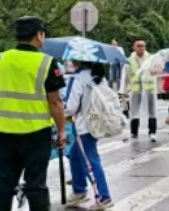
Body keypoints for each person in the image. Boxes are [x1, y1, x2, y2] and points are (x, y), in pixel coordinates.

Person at [0, 16, 67, 211]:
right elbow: (55, 101)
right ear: (39, 35)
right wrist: (62, 131)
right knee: (35, 184)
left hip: (3, 133)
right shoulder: (46, 62)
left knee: (3, 183)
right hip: (36, 135)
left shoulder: (2, 58)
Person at [64, 61, 114, 209]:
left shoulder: (77, 78)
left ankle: (104, 197)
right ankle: (79, 189)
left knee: (90, 162)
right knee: (75, 155)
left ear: (78, 60)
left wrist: (63, 113)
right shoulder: (99, 76)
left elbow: (70, 107)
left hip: (83, 126)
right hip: (97, 123)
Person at [120, 39, 158, 142]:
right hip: (136, 89)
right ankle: (134, 132)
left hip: (149, 89)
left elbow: (157, 72)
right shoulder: (128, 61)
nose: (141, 48)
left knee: (152, 111)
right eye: (139, 46)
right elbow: (125, 78)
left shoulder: (151, 59)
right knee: (134, 111)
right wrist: (123, 92)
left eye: (143, 46)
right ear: (134, 47)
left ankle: (152, 132)